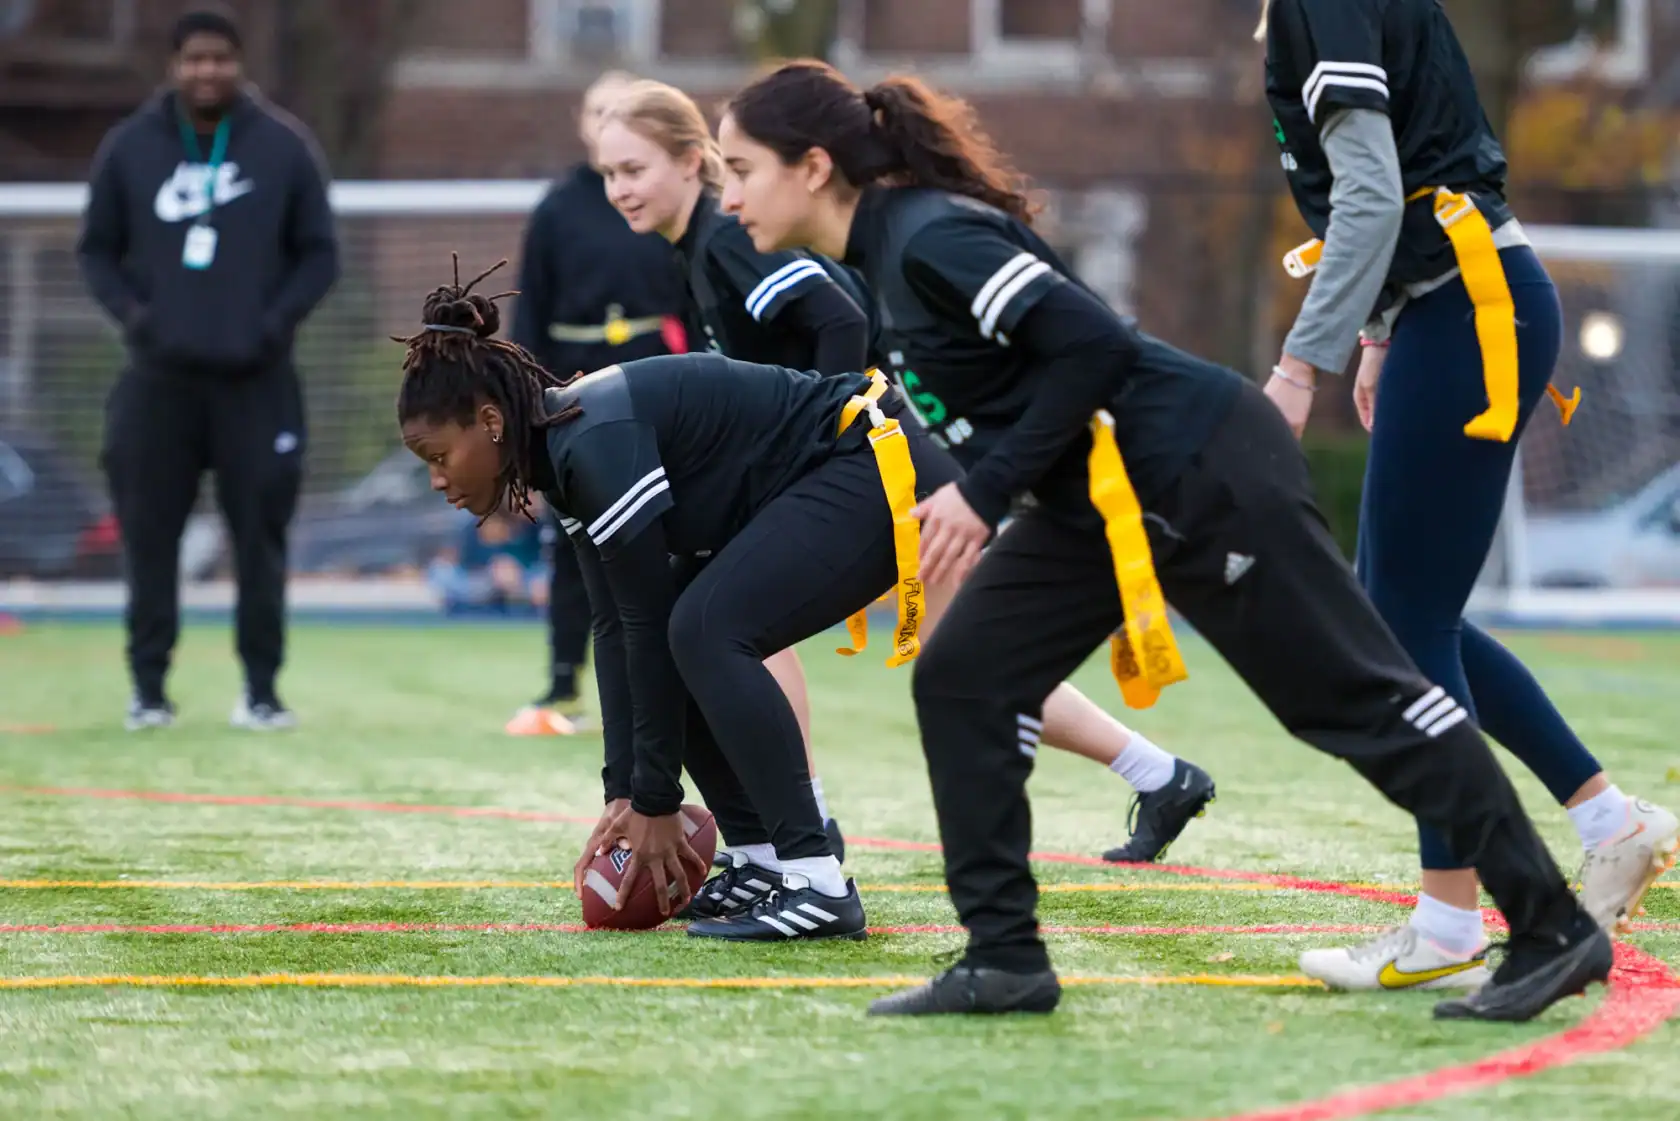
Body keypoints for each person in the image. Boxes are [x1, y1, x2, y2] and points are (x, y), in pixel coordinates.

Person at [718, 59, 1612, 1022]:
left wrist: (981, 491)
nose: (728, 198)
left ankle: (1553, 925)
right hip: (1095, 498)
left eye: (739, 169)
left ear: (812, 166)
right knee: (964, 674)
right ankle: (1005, 957)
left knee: (1358, 700)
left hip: (1200, 468)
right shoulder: (880, 257)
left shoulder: (931, 238)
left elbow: (1094, 345)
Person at [595, 78, 1219, 888]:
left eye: (633, 168)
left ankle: (809, 827)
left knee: (751, 624)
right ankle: (1158, 776)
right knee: (947, 647)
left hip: (891, 457)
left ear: (693, 161)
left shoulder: (726, 236)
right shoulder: (705, 248)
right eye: (606, 173)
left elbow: (840, 319)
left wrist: (814, 441)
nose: (619, 190)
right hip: (886, 455)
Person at [1255, 0, 1679, 993]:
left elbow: (1369, 196)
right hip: (1449, 302)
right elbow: (1409, 167)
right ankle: (1608, 819)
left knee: (1402, 624)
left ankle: (1448, 915)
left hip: (1467, 303)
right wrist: (1375, 330)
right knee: (1409, 612)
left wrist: (1299, 363)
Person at [395, 258, 964, 941]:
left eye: (438, 456)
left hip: (876, 461)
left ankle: (816, 878)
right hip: (851, 466)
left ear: (489, 421)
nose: (435, 480)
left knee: (701, 627)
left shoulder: (593, 443)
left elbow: (643, 620)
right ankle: (762, 859)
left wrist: (657, 798)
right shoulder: (563, 446)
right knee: (685, 628)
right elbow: (612, 625)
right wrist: (624, 793)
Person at [76, 6, 338, 731]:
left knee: (260, 539)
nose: (207, 71)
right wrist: (137, 316)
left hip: (258, 381)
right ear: (175, 64)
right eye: (194, 59)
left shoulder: (283, 148)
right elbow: (96, 250)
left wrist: (272, 321)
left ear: (238, 63)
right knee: (149, 537)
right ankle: (148, 690)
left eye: (220, 58)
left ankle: (260, 691)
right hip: (158, 382)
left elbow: (320, 253)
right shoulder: (130, 147)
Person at [510, 71, 688, 733]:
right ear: (584, 123)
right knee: (574, 539)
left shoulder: (666, 202)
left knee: (667, 533)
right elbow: (529, 312)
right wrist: (531, 406)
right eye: (596, 110)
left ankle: (674, 676)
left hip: (658, 376)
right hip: (577, 386)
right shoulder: (558, 206)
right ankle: (563, 679)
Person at [427, 507, 549, 616]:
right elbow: (454, 563)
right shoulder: (468, 529)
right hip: (477, 581)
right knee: (441, 573)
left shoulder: (531, 527)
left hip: (524, 580)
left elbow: (539, 564)